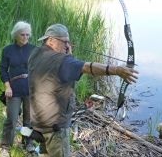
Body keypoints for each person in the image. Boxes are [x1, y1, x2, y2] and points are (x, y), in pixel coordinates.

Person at [27, 24, 139, 157]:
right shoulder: (62, 61)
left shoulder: (35, 52)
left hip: (38, 121)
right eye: (64, 42)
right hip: (55, 127)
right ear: (51, 40)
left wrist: (65, 55)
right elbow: (87, 67)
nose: (68, 46)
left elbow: (55, 68)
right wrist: (116, 70)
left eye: (69, 42)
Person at [0, 21, 36, 157]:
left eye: (27, 35)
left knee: (29, 119)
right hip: (13, 89)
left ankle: (28, 141)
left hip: (30, 89)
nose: (25, 37)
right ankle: (5, 146)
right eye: (22, 35)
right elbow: (3, 70)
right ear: (15, 34)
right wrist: (7, 87)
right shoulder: (7, 50)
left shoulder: (33, 49)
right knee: (11, 118)